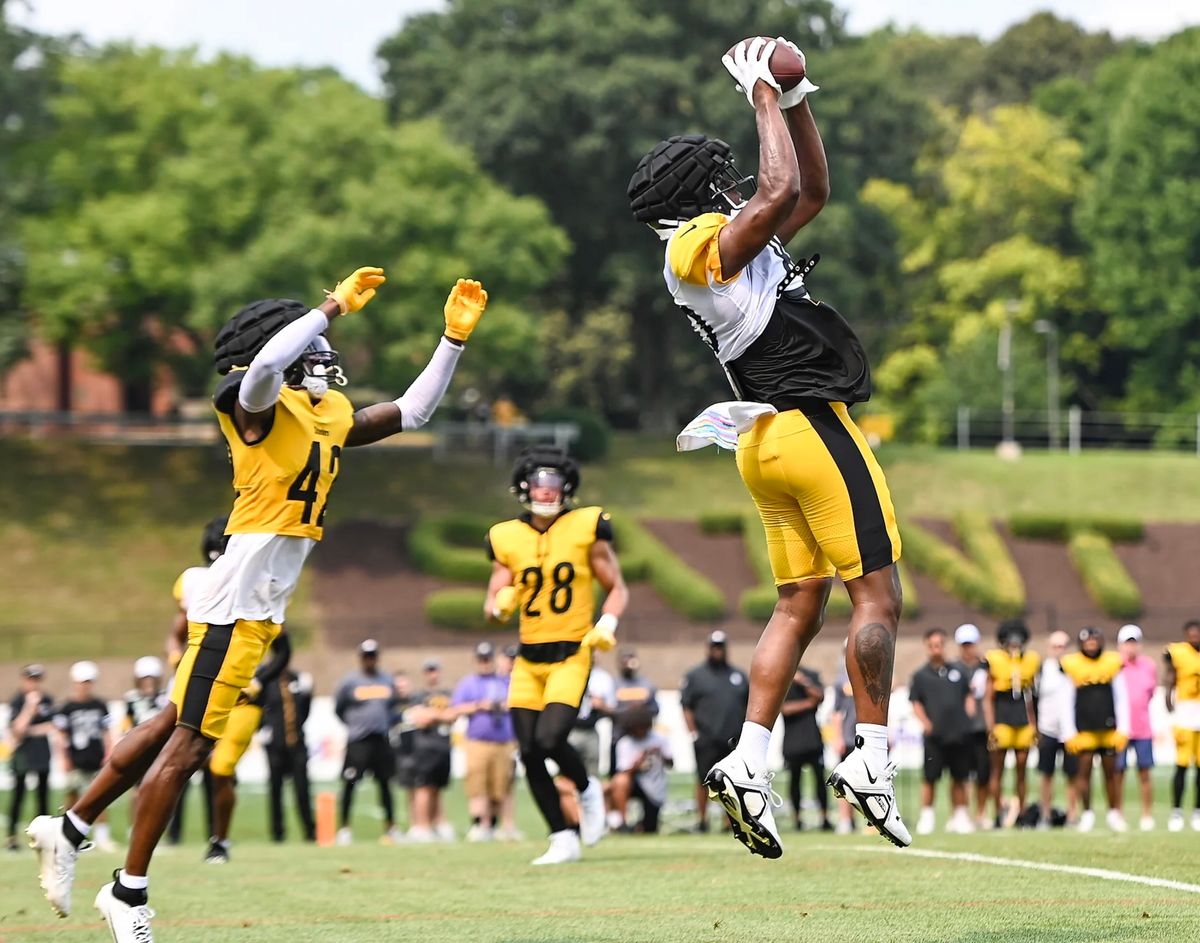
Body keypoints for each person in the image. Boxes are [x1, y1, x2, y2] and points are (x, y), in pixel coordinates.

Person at [26, 267, 489, 940]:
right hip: (235, 599)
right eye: (319, 350)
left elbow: (412, 411)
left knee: (167, 722)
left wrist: (451, 340)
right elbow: (268, 362)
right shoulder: (255, 406)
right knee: (188, 745)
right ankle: (128, 891)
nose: (330, 362)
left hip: (260, 599)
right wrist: (332, 305)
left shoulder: (323, 415)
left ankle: (66, 827)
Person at [628, 36, 907, 855]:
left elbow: (809, 186)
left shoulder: (731, 236)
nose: (730, 182)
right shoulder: (692, 249)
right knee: (877, 600)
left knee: (800, 601)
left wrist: (795, 99)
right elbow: (778, 183)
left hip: (765, 435)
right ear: (693, 194)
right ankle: (874, 756)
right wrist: (757, 92)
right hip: (808, 424)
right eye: (714, 178)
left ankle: (750, 757)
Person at [484, 445, 629, 865]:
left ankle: (585, 790)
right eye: (538, 484)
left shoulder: (588, 525)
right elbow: (492, 599)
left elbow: (616, 586)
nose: (546, 492)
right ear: (524, 487)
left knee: (550, 739)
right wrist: (499, 604)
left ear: (566, 488)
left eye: (553, 484)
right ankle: (561, 835)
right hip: (528, 658)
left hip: (572, 652)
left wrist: (608, 623)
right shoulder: (505, 535)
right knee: (528, 750)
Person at [164, 516, 229, 846]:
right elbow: (177, 634)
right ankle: (208, 838)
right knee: (189, 760)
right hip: (210, 678)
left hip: (213, 677)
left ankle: (214, 837)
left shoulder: (192, 578)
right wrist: (180, 662)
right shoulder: (201, 578)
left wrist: (178, 660)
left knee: (202, 762)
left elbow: (175, 635)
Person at [204, 632, 293, 862]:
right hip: (208, 695)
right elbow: (177, 638)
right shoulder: (200, 600)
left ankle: (219, 841)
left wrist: (260, 680)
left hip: (244, 702)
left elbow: (283, 650)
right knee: (187, 764)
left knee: (220, 767)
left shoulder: (261, 602)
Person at [1061, 627, 1129, 833]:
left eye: (1094, 642)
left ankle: (1114, 813)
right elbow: (1066, 700)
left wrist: (1124, 728)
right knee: (1084, 773)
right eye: (1087, 643)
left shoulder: (1112, 662)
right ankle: (1088, 813)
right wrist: (1069, 731)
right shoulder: (1072, 665)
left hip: (1108, 728)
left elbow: (1121, 697)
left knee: (1111, 773)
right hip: (1084, 729)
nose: (1091, 646)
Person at [680, 631, 748, 833]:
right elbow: (686, 706)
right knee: (703, 779)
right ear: (708, 649)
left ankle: (730, 822)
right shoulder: (696, 676)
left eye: (721, 647)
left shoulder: (738, 675)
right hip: (706, 737)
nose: (718, 651)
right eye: (714, 647)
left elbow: (748, 704)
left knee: (730, 782)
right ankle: (702, 820)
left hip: (731, 739)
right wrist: (693, 732)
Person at [335, 640, 402, 845]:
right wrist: (354, 725)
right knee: (350, 783)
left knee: (385, 784)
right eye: (366, 656)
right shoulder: (349, 682)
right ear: (360, 658)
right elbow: (339, 708)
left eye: (373, 656)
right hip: (358, 741)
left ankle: (391, 827)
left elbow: (393, 707)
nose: (369, 660)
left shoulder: (387, 680)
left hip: (380, 739)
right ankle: (344, 828)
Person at [908, 629, 973, 835]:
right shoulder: (920, 676)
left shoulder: (958, 671)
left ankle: (960, 816)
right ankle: (927, 817)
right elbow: (916, 702)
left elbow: (968, 695)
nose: (937, 649)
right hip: (935, 737)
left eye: (940, 644)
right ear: (927, 647)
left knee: (960, 778)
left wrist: (968, 715)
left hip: (958, 734)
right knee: (930, 778)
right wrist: (926, 723)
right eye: (932, 645)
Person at [453, 642, 516, 842]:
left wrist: (503, 706)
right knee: (478, 785)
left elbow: (517, 702)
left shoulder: (504, 682)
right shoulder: (468, 683)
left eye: (487, 658)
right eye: (481, 659)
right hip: (478, 742)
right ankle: (480, 824)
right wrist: (480, 706)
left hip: (503, 742)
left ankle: (496, 825)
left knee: (501, 787)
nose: (484, 663)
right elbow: (457, 709)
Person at [983, 619, 1040, 827]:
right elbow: (988, 698)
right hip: (1002, 718)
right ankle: (998, 811)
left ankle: (1021, 813)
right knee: (997, 770)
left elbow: (1033, 696)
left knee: (1022, 770)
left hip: (1022, 719)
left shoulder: (1031, 660)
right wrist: (991, 726)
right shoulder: (994, 660)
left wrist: (1035, 724)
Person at [53, 662, 116, 852]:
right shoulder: (67, 707)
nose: (85, 685)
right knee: (72, 799)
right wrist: (63, 758)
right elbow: (61, 735)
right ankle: (69, 835)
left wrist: (109, 752)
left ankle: (102, 837)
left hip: (96, 758)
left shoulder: (99, 705)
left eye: (88, 682)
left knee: (101, 797)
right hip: (76, 759)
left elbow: (107, 732)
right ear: (75, 683)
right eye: (82, 682)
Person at [260, 663, 315, 843]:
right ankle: (278, 833)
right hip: (275, 745)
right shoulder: (266, 680)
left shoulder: (298, 679)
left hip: (296, 743)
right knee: (276, 790)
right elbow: (259, 708)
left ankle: (309, 831)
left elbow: (305, 709)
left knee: (302, 789)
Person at [121, 658, 171, 839]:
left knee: (158, 792)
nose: (148, 682)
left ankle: (153, 831)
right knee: (137, 791)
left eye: (151, 678)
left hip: (160, 749)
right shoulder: (132, 699)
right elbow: (126, 723)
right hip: (140, 748)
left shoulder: (165, 697)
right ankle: (133, 829)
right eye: (145, 678)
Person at [7, 665, 54, 851]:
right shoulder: (18, 701)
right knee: (18, 795)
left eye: (37, 679)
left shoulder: (47, 699)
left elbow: (51, 725)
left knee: (43, 796)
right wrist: (29, 708)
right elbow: (17, 729)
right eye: (31, 679)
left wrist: (29, 730)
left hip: (42, 752)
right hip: (23, 754)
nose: (34, 683)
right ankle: (12, 837)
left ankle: (43, 837)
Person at [408, 659, 457, 842]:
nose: (432, 674)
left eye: (435, 670)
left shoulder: (447, 693)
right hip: (425, 746)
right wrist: (442, 715)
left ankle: (437, 823)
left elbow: (454, 715)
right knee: (423, 787)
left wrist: (434, 715)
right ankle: (422, 826)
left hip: (443, 746)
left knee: (437, 788)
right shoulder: (418, 695)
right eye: (429, 671)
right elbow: (419, 717)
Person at [1034, 631, 1078, 828]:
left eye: (1063, 646)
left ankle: (1072, 814)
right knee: (1046, 774)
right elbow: (1033, 700)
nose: (1059, 650)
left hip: (1069, 731)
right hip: (1047, 729)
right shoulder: (1042, 669)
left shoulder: (1074, 668)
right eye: (1055, 646)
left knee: (1072, 775)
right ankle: (1045, 814)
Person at [1115, 625, 1156, 831]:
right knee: (1118, 773)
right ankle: (1118, 814)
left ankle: (1147, 815)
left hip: (1143, 728)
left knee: (1145, 772)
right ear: (1120, 645)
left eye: (1134, 642)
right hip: (1120, 729)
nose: (1131, 646)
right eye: (1127, 642)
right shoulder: (1114, 665)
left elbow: (1150, 693)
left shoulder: (1148, 665)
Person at [780, 665, 830, 831]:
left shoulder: (810, 675)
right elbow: (784, 709)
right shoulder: (783, 676)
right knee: (795, 781)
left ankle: (825, 818)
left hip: (812, 739)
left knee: (819, 780)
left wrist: (804, 683)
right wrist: (809, 704)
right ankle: (797, 819)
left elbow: (820, 697)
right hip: (792, 741)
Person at [610, 705, 674, 833]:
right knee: (619, 782)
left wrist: (661, 754)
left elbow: (671, 763)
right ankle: (621, 822)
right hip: (635, 784)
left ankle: (638, 826)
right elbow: (623, 773)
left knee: (649, 829)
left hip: (654, 787)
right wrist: (637, 763)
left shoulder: (659, 739)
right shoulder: (625, 743)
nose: (641, 730)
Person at [954, 624, 993, 829]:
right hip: (961, 728)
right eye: (964, 645)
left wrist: (990, 725)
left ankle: (981, 813)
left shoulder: (985, 667)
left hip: (980, 727)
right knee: (961, 774)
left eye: (970, 644)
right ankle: (962, 814)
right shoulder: (954, 669)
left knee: (983, 773)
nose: (968, 648)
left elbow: (989, 697)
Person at [1164, 619, 1200, 832]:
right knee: (1181, 766)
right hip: (1186, 713)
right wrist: (1169, 706)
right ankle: (1176, 811)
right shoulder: (1178, 652)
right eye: (1192, 633)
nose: (1195, 636)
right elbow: (1169, 678)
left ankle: (1197, 810)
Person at [829, 651, 857, 835]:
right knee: (844, 782)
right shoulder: (841, 681)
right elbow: (837, 712)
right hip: (848, 736)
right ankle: (846, 819)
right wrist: (837, 737)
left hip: (865, 736)